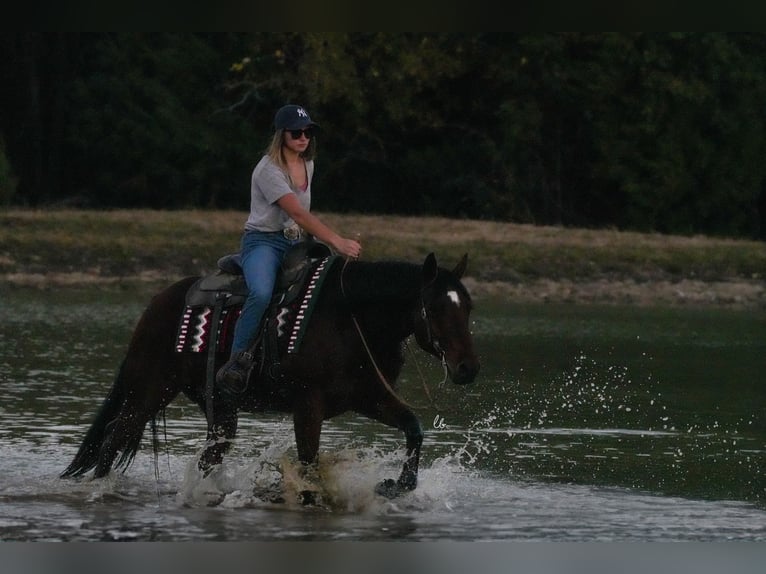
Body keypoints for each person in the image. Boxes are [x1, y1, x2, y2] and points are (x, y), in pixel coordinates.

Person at [216, 104, 362, 395]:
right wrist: (337, 241)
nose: (303, 137)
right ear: (282, 135)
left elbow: (301, 221)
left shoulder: (307, 164)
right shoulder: (268, 170)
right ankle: (235, 364)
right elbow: (298, 213)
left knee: (327, 285)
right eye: (296, 132)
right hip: (264, 241)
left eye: (308, 131)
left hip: (295, 242)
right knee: (260, 293)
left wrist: (318, 247)